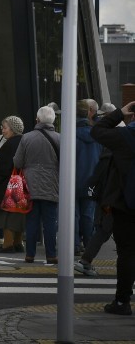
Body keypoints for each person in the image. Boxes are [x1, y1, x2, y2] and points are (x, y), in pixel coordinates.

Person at [90, 100, 135, 316]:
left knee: (127, 252)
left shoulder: (124, 137)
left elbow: (97, 130)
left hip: (125, 204)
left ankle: (122, 301)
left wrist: (119, 114)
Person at [13, 105, 60, 264]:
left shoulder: (26, 138)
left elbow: (17, 162)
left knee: (32, 221)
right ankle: (51, 255)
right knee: (50, 222)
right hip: (52, 184)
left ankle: (30, 255)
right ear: (53, 120)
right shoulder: (60, 138)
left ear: (37, 120)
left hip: (29, 185)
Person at [76, 102, 118, 277]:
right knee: (93, 221)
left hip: (102, 192)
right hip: (118, 195)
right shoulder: (106, 140)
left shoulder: (72, 134)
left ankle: (82, 255)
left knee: (101, 229)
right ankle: (85, 257)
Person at [0, 116, 25, 253]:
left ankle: (7, 244)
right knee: (18, 216)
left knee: (6, 216)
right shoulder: (24, 141)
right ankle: (18, 242)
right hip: (21, 184)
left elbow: (2, 168)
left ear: (13, 129)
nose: (2, 131)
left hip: (7, 185)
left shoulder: (9, 144)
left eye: (4, 128)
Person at [75, 99, 102, 255]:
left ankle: (75, 244)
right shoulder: (97, 135)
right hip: (92, 180)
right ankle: (89, 244)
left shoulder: (69, 134)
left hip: (73, 180)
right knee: (88, 214)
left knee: (74, 214)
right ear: (89, 113)